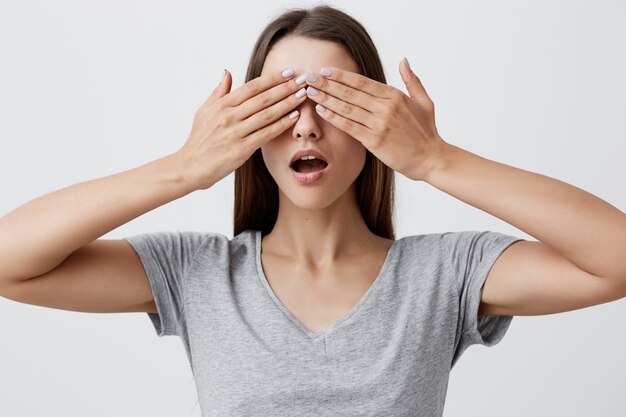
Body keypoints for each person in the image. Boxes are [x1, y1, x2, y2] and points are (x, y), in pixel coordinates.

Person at [1, 5, 624, 417]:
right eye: (278, 101)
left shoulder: (446, 273)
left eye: (333, 100)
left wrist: (435, 159)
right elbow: (10, 263)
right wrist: (184, 167)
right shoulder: (198, 273)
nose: (305, 126)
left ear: (377, 120)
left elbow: (615, 261)